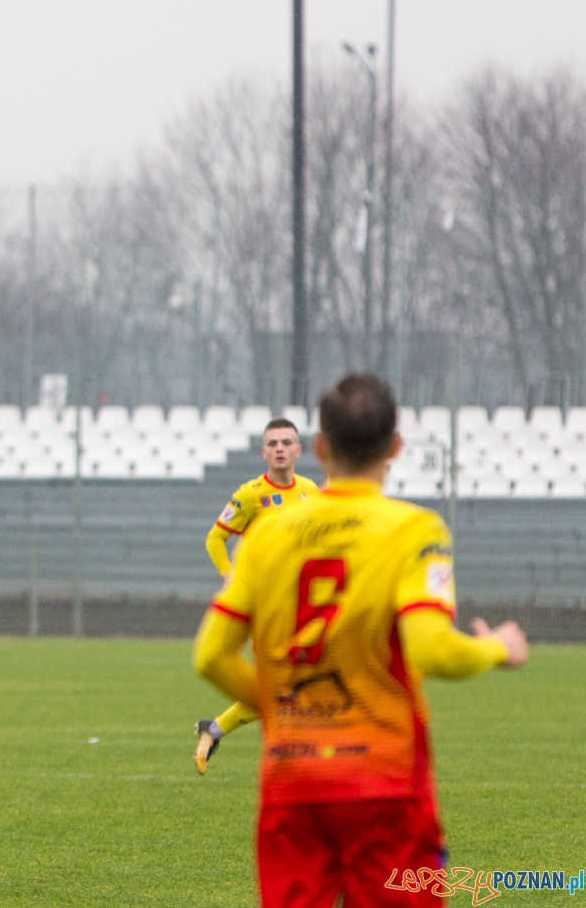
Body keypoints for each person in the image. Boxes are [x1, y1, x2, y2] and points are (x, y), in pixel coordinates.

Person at [192, 373, 528, 908]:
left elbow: (210, 655)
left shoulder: (266, 537)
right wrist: (498, 647)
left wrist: (282, 711)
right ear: (395, 446)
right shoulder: (416, 529)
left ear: (319, 449)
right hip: (383, 778)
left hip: (292, 778)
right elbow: (433, 650)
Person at [194, 416, 320, 773]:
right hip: (267, 606)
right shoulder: (249, 495)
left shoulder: (311, 490)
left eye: (286, 442)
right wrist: (230, 577)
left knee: (290, 686)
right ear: (264, 452)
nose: (280, 448)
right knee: (289, 686)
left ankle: (214, 730)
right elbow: (214, 539)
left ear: (298, 449)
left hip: (303, 603)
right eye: (273, 443)